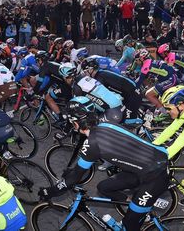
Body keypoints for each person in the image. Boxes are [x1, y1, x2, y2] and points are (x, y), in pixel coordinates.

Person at [38, 98, 169, 231]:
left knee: (128, 227)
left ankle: (143, 204)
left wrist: (50, 191)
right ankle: (139, 202)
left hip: (155, 176)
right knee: (104, 187)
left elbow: (73, 179)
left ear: (75, 124)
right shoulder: (106, 124)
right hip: (149, 164)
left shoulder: (92, 144)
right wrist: (73, 172)